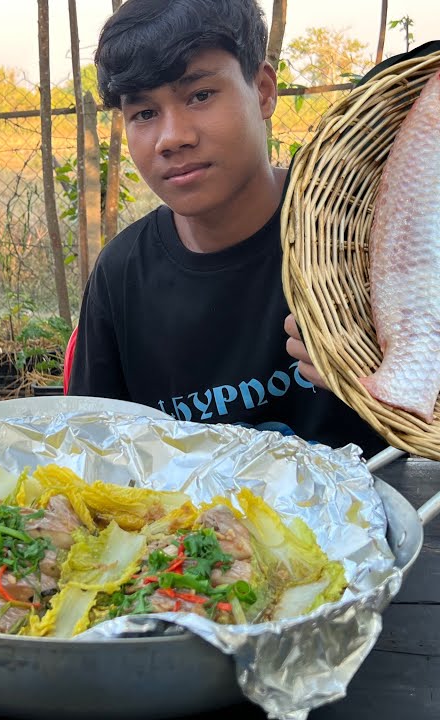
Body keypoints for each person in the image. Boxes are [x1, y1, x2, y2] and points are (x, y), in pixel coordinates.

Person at [67, 0, 386, 456]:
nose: (172, 138)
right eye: (144, 113)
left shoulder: (356, 230)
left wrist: (389, 372)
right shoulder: (121, 275)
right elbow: (92, 446)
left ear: (263, 91)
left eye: (200, 95)